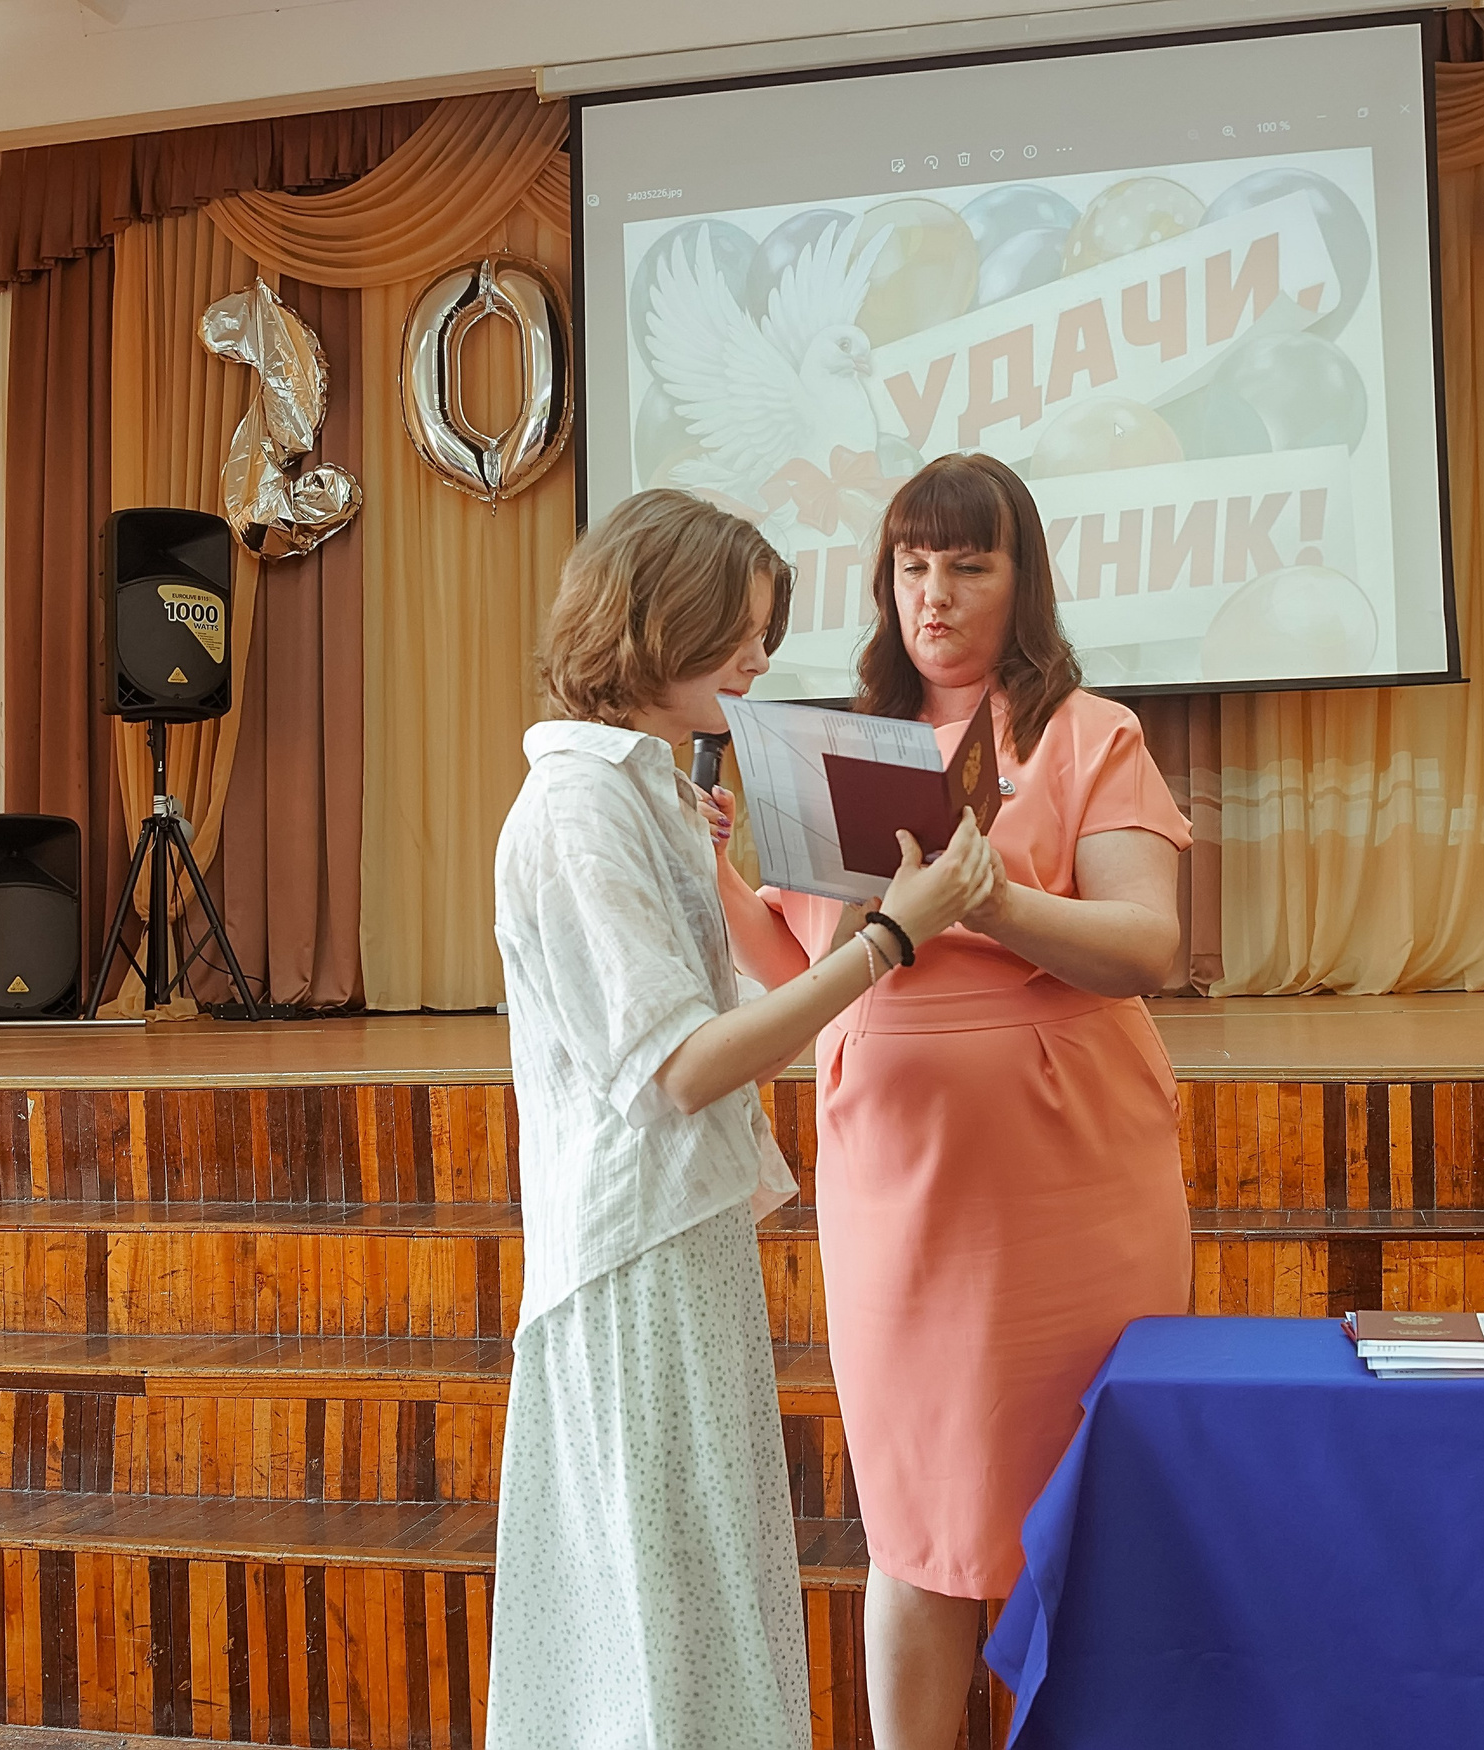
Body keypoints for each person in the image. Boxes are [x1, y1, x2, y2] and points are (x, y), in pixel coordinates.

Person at [485, 488, 1001, 1750]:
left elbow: (746, 995)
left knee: (707, 1598)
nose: (760, 661)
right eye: (737, 632)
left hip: (680, 1231)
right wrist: (889, 936)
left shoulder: (642, 792)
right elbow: (681, 1068)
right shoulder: (574, 807)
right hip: (631, 1252)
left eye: (763, 632)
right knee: (657, 1613)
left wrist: (713, 872)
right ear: (655, 621)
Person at [709, 453, 1195, 1749]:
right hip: (897, 1175)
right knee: (914, 1513)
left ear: (1020, 578)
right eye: (914, 563)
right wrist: (718, 876)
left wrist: (993, 897)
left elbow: (1147, 947)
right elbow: (803, 967)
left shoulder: (1089, 732)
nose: (936, 590)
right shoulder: (833, 741)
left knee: (1080, 1511)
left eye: (967, 562)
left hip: (1072, 1168)